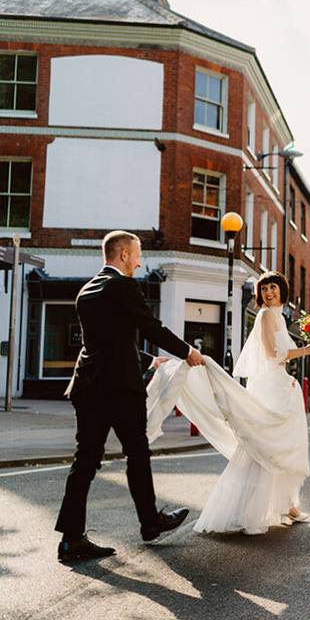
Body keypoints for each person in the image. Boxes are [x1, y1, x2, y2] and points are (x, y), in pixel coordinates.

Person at [55, 231, 205, 563]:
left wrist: (150, 359)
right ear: (123, 254)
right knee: (137, 453)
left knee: (86, 461)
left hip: (88, 386)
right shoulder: (123, 286)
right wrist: (188, 351)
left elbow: (109, 338)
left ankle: (70, 539)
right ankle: (150, 523)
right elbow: (151, 326)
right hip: (120, 388)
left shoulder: (88, 290)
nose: (139, 261)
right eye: (137, 255)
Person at [189, 271, 310, 534]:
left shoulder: (279, 318)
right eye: (264, 289)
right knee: (265, 446)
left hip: (278, 383)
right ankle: (252, 509)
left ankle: (288, 505)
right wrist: (307, 350)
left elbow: (278, 358)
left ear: (282, 290)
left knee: (276, 447)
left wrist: (289, 375)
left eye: (273, 287)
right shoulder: (266, 315)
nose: (268, 293)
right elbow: (272, 354)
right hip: (271, 387)